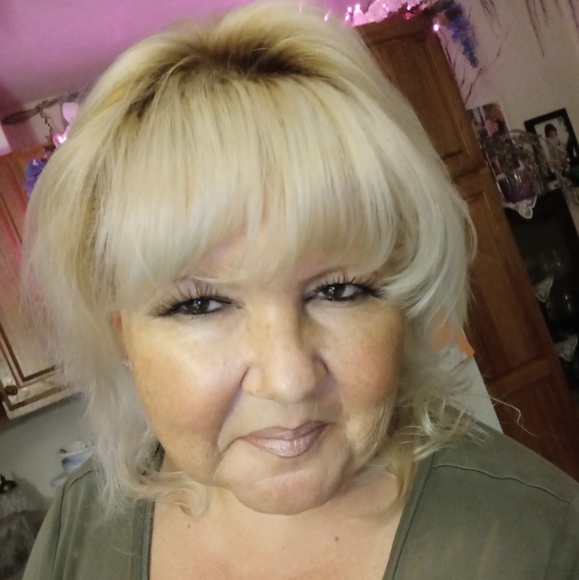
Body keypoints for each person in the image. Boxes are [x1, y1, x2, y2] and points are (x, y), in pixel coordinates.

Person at [22, 2, 579, 578]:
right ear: (123, 335)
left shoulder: (542, 545)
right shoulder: (78, 528)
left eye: (339, 291)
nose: (289, 381)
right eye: (201, 303)